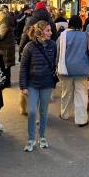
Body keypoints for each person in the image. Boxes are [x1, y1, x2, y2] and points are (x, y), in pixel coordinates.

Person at [19, 21, 58, 152]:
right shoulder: (29, 47)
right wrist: (23, 85)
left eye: (50, 30)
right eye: (48, 30)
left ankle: (42, 136)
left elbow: (54, 63)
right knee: (31, 111)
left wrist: (53, 81)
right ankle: (31, 139)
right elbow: (23, 67)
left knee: (43, 112)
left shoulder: (53, 45)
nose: (51, 33)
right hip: (32, 84)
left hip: (46, 83)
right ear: (40, 32)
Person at [56, 15, 89, 127]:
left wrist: (56, 65)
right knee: (81, 93)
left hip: (65, 69)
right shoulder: (85, 36)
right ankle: (81, 119)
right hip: (82, 69)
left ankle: (64, 114)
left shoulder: (63, 36)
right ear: (80, 24)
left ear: (69, 24)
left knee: (66, 92)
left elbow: (57, 52)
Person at [0, 9, 16, 87]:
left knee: (5, 67)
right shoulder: (6, 22)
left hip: (6, 49)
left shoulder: (4, 24)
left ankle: (6, 83)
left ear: (0, 17)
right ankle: (7, 82)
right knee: (7, 67)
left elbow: (0, 36)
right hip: (8, 47)